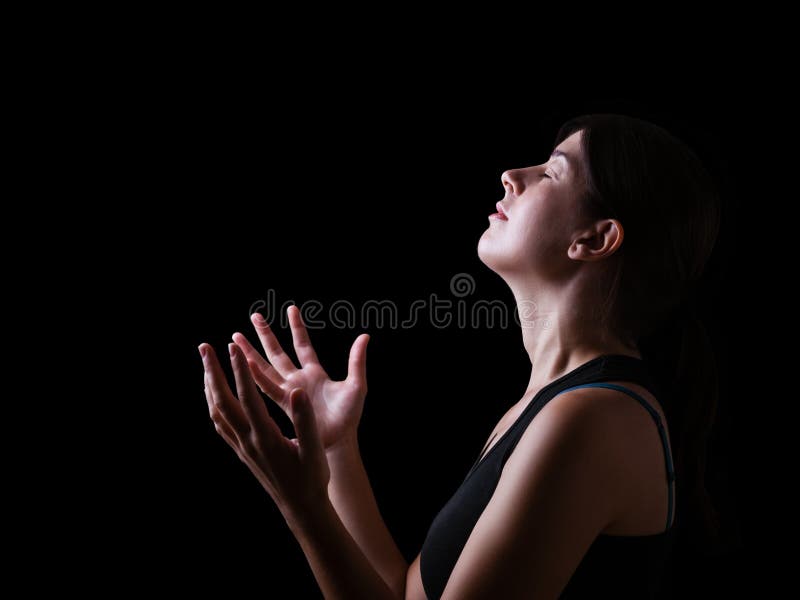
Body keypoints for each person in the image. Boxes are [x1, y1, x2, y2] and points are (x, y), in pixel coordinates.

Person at [198, 113, 723, 599]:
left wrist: (301, 504)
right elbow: (408, 594)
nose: (512, 175)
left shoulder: (592, 417)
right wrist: (337, 448)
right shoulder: (547, 406)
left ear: (595, 238)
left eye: (552, 173)